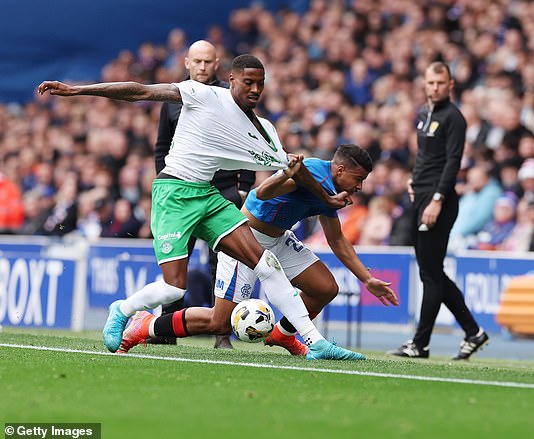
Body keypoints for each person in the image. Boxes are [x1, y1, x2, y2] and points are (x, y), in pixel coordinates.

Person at [38, 54, 364, 361]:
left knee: (266, 264)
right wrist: (78, 90)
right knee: (172, 287)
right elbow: (140, 92)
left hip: (208, 195)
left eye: (260, 84)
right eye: (248, 82)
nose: (254, 89)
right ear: (231, 78)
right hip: (174, 192)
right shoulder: (203, 94)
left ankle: (314, 341)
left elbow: (295, 170)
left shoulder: (264, 130)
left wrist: (328, 199)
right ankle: (124, 310)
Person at [118, 144, 399, 355]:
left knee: (325, 288)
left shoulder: (333, 191)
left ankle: (283, 335)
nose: (360, 186)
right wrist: (284, 176)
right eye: (358, 178)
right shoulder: (311, 170)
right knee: (219, 322)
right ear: (340, 170)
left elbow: (337, 240)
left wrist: (367, 279)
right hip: (245, 239)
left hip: (278, 240)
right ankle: (147, 325)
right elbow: (262, 192)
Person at [151, 40, 256, 350]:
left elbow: (251, 140)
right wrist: (164, 180)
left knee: (222, 264)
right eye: (196, 61)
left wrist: (244, 186)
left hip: (222, 190)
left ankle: (222, 334)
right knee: (176, 266)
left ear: (217, 63)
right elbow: (162, 147)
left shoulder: (230, 95)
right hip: (181, 191)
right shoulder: (173, 97)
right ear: (186, 63)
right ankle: (164, 330)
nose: (201, 67)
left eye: (207, 62)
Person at [388, 62, 489, 360]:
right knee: (431, 272)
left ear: (451, 84)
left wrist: (436, 198)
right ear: (424, 84)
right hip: (420, 193)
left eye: (440, 83)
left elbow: (452, 162)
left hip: (438, 201)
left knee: (431, 275)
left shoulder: (453, 118)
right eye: (430, 83)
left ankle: (421, 343)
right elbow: (426, 158)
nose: (435, 88)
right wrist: (413, 179)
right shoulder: (424, 113)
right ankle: (473, 332)